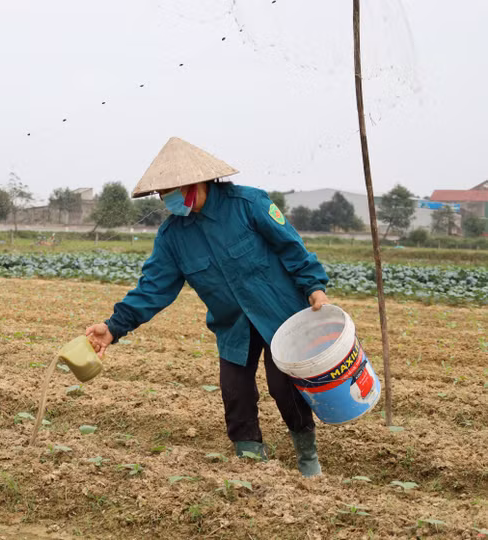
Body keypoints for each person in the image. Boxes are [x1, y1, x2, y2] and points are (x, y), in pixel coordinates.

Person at [85, 137, 329, 477]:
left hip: (279, 314)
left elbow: (292, 249)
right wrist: (113, 327)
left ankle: (307, 457)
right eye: (160, 193)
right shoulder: (173, 236)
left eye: (169, 190)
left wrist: (314, 288)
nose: (164, 199)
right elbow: (153, 288)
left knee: (284, 387)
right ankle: (250, 462)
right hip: (232, 325)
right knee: (235, 392)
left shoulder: (248, 204)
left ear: (195, 181)